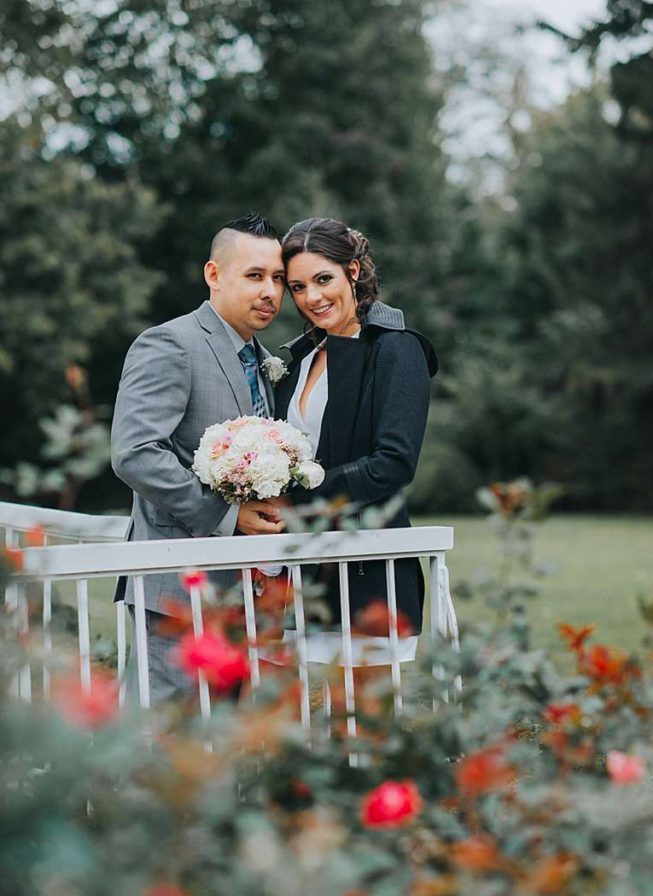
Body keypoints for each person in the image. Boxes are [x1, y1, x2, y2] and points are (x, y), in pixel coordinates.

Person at [111, 212, 286, 701]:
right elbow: (136, 452)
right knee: (164, 744)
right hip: (176, 587)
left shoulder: (261, 356)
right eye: (254, 276)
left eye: (276, 278)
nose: (270, 290)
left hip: (241, 595)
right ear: (214, 274)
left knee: (219, 751)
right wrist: (228, 515)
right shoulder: (171, 343)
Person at [271, 217, 438, 667]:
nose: (313, 297)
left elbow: (393, 463)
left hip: (370, 572)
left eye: (324, 279)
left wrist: (302, 495)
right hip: (301, 577)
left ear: (354, 271)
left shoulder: (395, 350)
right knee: (301, 728)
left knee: (365, 731)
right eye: (299, 287)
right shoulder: (299, 359)